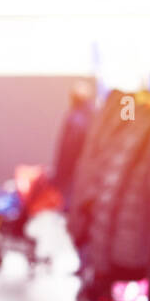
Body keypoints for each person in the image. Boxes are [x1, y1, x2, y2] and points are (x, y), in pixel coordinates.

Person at [52, 81, 94, 210]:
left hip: (74, 174)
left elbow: (67, 151)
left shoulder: (75, 118)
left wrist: (59, 176)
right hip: (89, 175)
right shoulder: (95, 116)